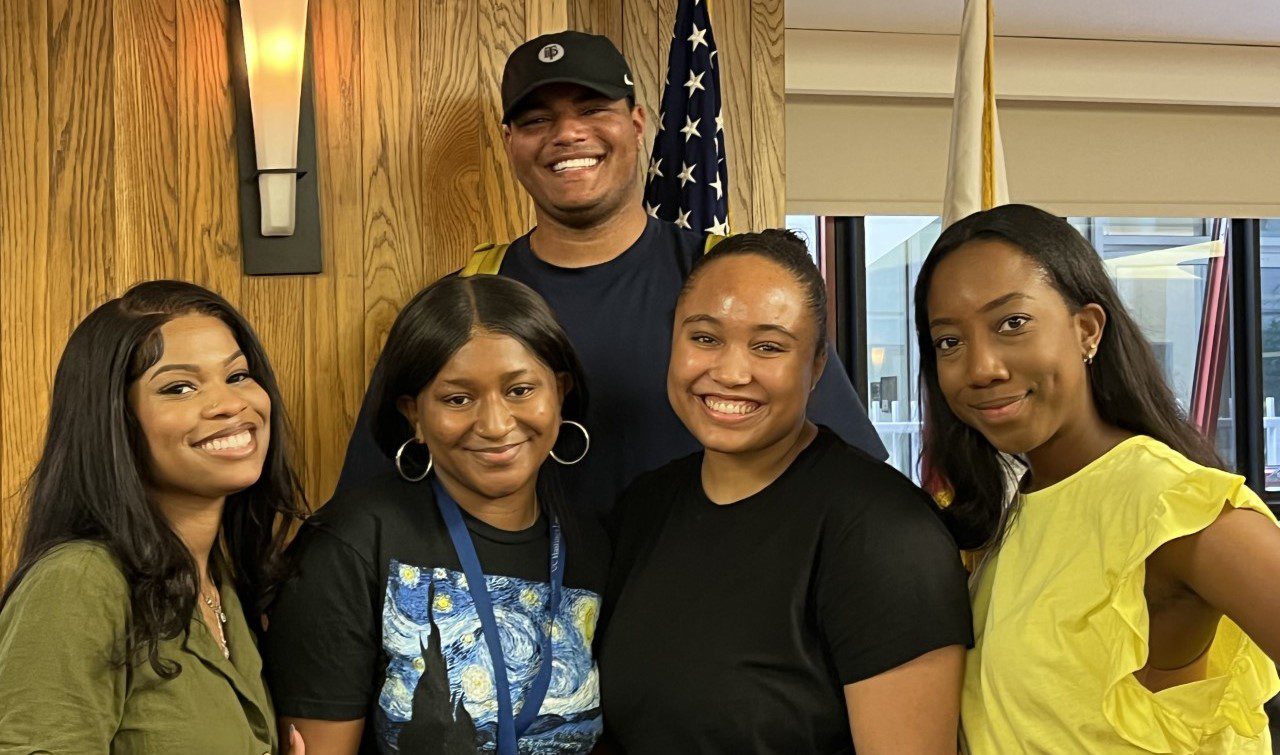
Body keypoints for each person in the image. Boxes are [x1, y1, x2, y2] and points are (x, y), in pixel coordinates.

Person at [334, 30, 886, 516]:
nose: (567, 134)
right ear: (509, 143)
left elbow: (851, 474)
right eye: (536, 119)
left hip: (706, 604)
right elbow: (368, 495)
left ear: (637, 122)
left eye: (593, 109)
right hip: (516, 611)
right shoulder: (463, 303)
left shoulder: (725, 285)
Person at [916, 204, 1280, 753]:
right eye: (949, 341)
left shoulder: (1168, 503)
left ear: (1087, 330)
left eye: (1012, 323)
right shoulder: (1012, 511)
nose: (982, 367)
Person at [599, 230, 972, 754]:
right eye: (704, 338)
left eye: (768, 346)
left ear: (817, 366)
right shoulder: (644, 507)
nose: (729, 372)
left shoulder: (885, 532)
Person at [263, 275, 610, 755]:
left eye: (520, 390)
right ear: (414, 415)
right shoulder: (352, 541)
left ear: (560, 392)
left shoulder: (595, 542)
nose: (495, 424)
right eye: (457, 399)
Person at [0, 280, 308, 753]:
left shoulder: (221, 580)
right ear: (115, 423)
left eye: (238, 375)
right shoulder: (78, 582)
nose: (230, 403)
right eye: (179, 387)